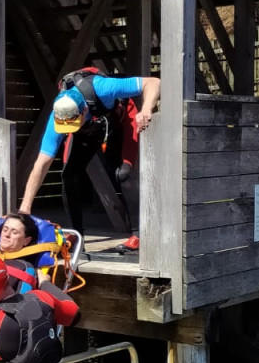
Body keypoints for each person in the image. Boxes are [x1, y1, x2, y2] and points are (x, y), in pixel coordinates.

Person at [20, 69, 161, 245]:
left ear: (83, 109)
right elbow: (41, 164)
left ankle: (139, 235)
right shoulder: (57, 118)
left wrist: (146, 109)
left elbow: (153, 82)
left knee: (123, 173)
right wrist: (25, 208)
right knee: (69, 175)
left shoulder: (103, 88)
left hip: (120, 120)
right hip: (90, 128)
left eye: (73, 125)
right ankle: (76, 234)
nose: (69, 130)